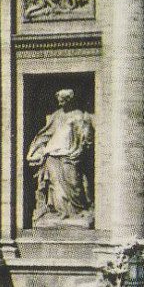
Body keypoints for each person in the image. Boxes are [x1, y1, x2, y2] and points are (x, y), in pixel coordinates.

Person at [26, 89, 96, 226]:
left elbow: (87, 137)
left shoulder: (79, 115)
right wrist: (37, 148)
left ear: (69, 100)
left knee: (73, 182)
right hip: (52, 154)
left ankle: (77, 211)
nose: (60, 102)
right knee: (55, 184)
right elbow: (46, 133)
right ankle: (59, 212)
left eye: (62, 100)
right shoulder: (56, 115)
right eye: (59, 100)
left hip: (70, 155)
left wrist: (81, 149)